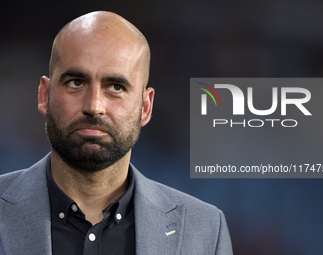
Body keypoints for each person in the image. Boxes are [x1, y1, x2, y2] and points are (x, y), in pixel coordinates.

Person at [0, 11, 233, 255]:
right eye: (76, 82)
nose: (94, 106)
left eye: (115, 87)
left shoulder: (206, 231)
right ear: (44, 95)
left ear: (145, 107)